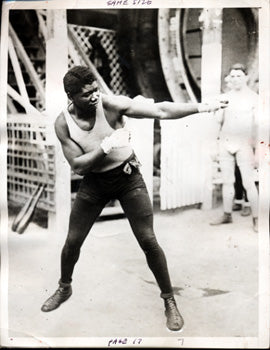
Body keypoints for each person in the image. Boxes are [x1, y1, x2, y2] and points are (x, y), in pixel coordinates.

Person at [41, 65, 227, 332]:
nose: (94, 97)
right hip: (95, 183)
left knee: (148, 240)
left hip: (128, 178)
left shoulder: (112, 104)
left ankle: (169, 301)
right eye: (86, 94)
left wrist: (203, 107)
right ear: (71, 96)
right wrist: (106, 146)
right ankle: (64, 287)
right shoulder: (62, 123)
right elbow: (79, 167)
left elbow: (161, 110)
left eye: (96, 90)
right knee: (72, 241)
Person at [210, 63, 259, 232]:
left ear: (246, 77)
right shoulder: (224, 97)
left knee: (248, 182)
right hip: (225, 142)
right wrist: (214, 146)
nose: (236, 79)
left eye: (239, 76)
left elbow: (259, 125)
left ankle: (257, 218)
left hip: (244, 143)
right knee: (227, 181)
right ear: (229, 78)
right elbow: (217, 122)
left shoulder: (254, 98)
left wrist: (258, 149)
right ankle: (227, 214)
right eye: (233, 76)